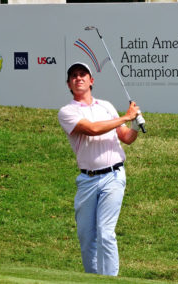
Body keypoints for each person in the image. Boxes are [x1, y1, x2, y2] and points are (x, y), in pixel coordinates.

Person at [58, 62, 141, 276]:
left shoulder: (106, 106)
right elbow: (92, 130)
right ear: (69, 84)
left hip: (113, 175)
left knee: (106, 232)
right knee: (87, 236)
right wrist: (125, 117)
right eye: (74, 76)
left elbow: (127, 139)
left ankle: (110, 280)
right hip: (87, 180)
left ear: (91, 80)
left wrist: (135, 124)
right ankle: (93, 278)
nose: (78, 78)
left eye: (83, 74)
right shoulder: (67, 112)